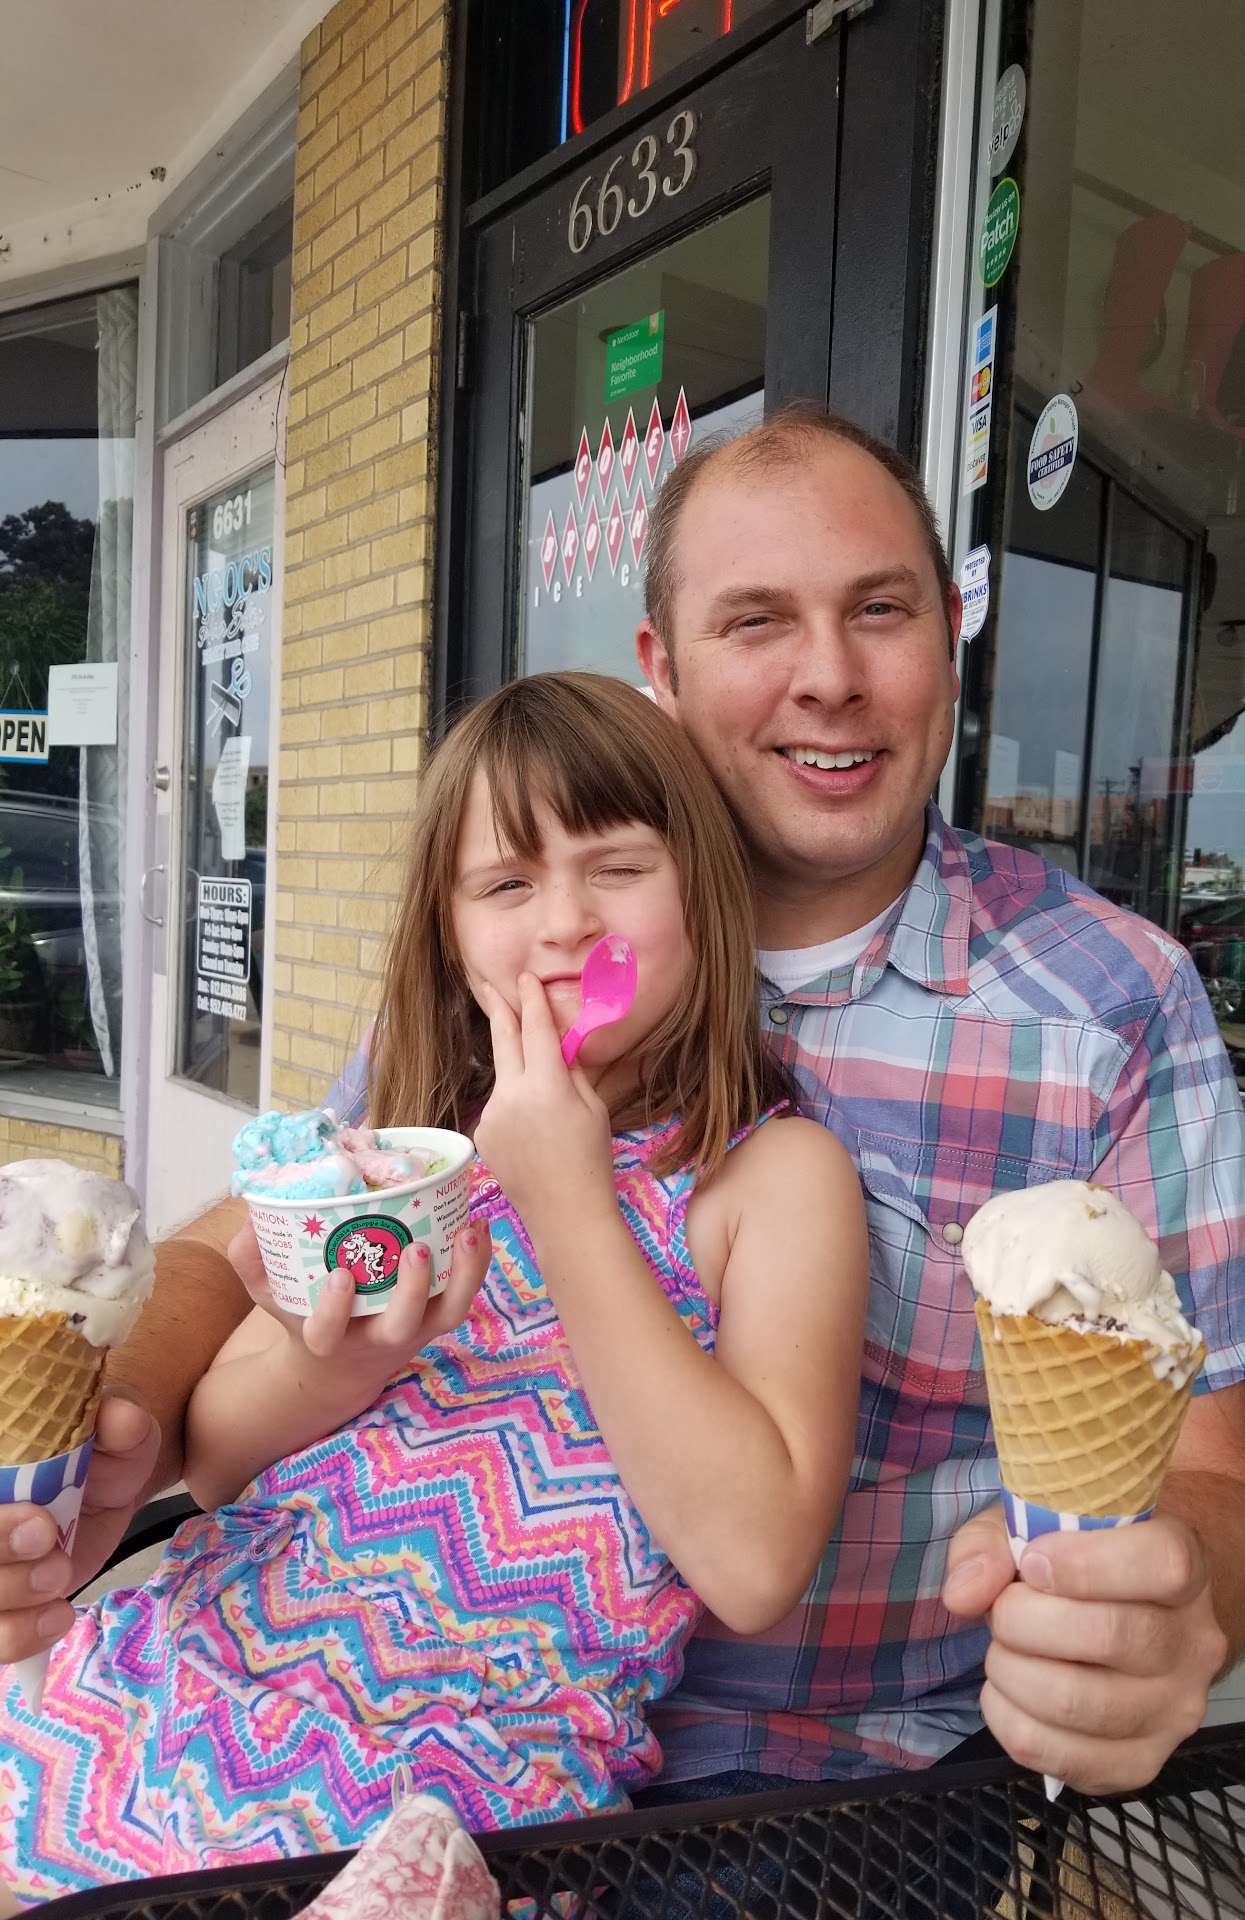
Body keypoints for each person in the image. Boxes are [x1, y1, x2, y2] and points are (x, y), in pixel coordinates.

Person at [0, 405, 1245, 1809]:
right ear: (663, 670)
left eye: (881, 609)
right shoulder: (516, 994)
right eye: (756, 621)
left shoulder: (1108, 1002)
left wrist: (1166, 1613)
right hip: (324, 1679)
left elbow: (1213, 1477)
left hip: (812, 1784)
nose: (830, 677)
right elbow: (245, 1259)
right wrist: (108, 1439)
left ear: (951, 632)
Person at [0, 674, 867, 1903]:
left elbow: (754, 1560)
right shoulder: (403, 1155)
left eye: (619, 867)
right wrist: (329, 1367)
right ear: (451, 937)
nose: (565, 921)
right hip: (197, 1663)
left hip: (465, 1771)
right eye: (507, 885)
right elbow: (222, 1463)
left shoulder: (770, 1179)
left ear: (706, 894)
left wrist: (569, 1202)